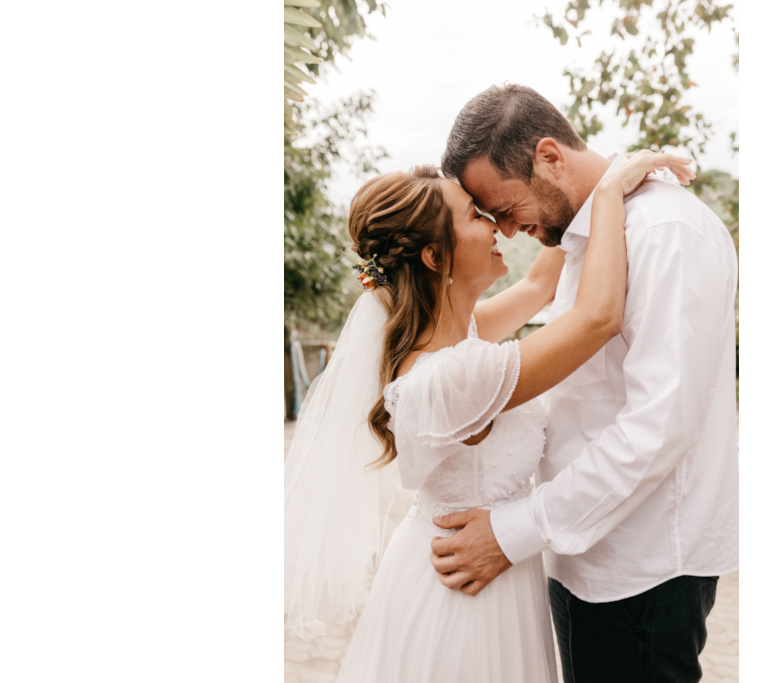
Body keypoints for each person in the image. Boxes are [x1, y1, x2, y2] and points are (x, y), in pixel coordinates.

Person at [283, 152, 695, 682]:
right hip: (463, 600)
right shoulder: (454, 376)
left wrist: (587, 173)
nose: (495, 224)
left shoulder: (457, 334)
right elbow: (597, 319)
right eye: (475, 215)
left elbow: (538, 286)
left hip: (484, 571)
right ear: (436, 256)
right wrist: (612, 191)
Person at [432, 83, 739, 683]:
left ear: (550, 157)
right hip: (581, 555)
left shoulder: (662, 231)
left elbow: (658, 426)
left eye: (505, 207)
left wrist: (514, 531)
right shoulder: (587, 239)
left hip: (642, 568)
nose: (507, 232)